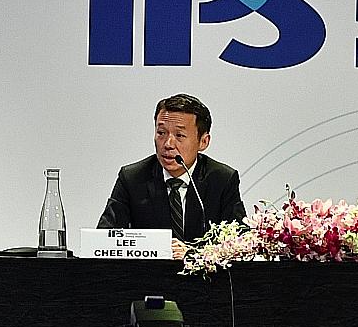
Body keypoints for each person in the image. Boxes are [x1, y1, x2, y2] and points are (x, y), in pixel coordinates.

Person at [97, 94, 246, 257]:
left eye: (180, 135)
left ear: (203, 142)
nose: (167, 144)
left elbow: (240, 244)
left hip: (205, 280)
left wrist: (194, 255)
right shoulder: (132, 178)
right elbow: (105, 238)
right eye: (161, 133)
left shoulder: (222, 180)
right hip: (147, 278)